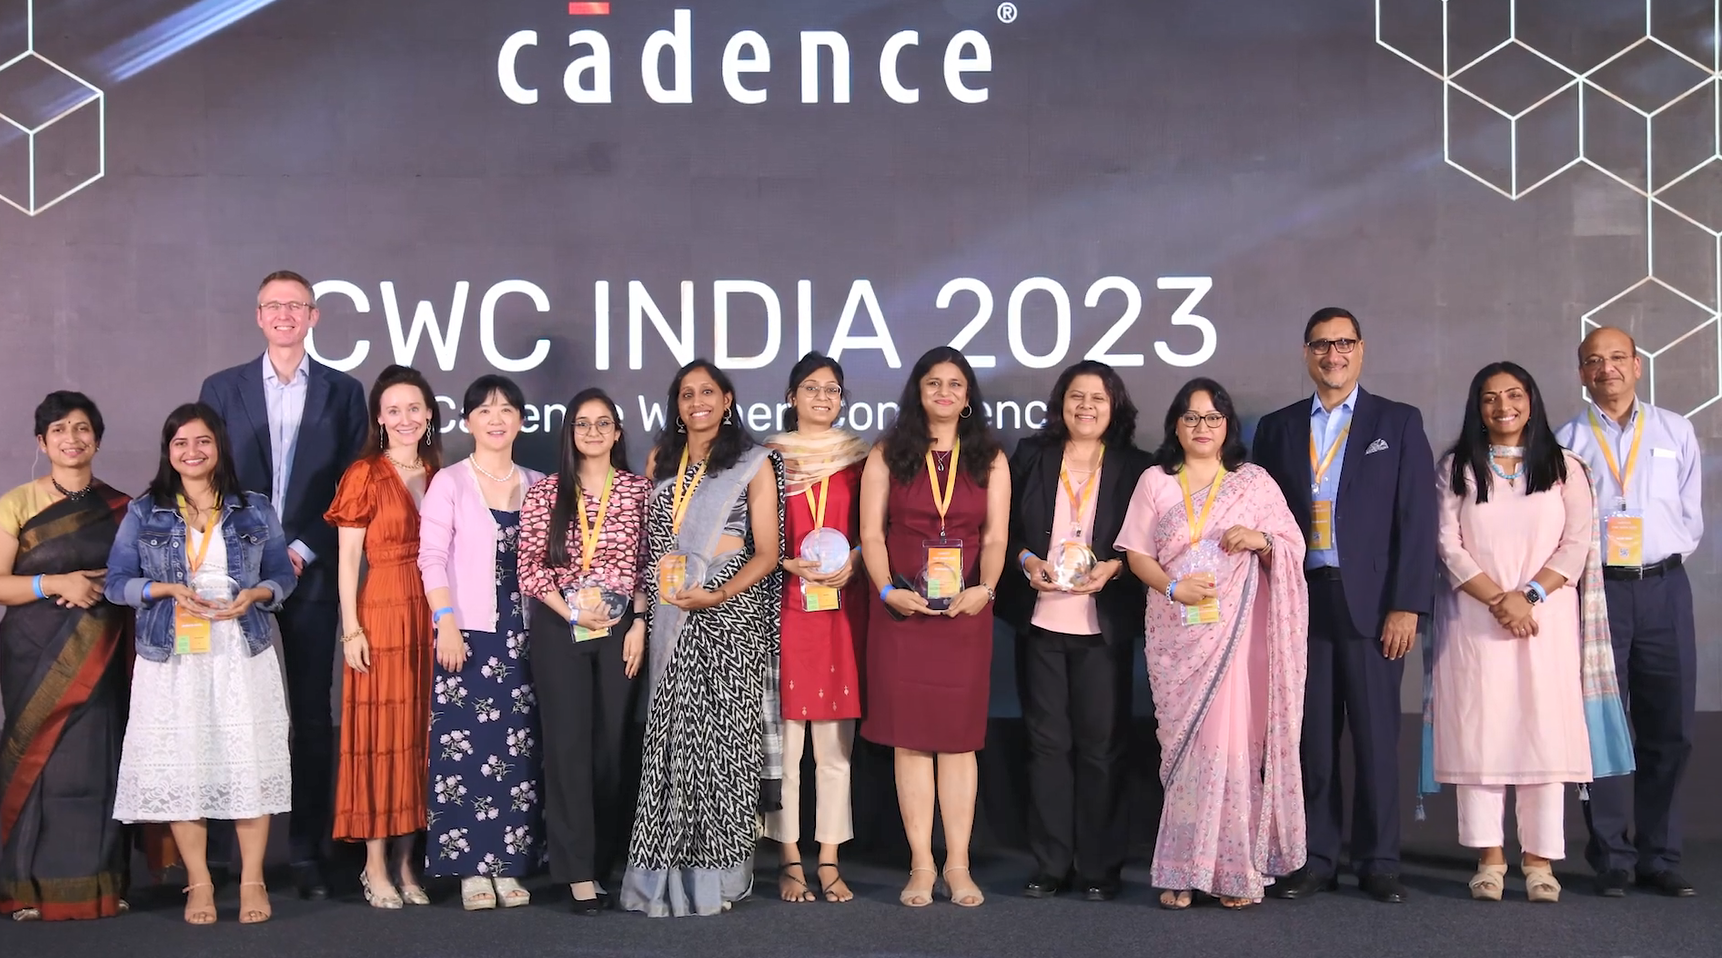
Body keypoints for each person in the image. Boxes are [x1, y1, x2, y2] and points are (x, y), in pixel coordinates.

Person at [1428, 362, 1632, 903]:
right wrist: (1500, 599)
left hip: (1546, 622)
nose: (1503, 407)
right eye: (1490, 398)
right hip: (1476, 621)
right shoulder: (1456, 469)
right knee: (1482, 731)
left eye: (1513, 395)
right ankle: (1489, 859)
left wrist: (1529, 597)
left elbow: (1577, 544)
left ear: (1532, 401)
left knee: (1543, 731)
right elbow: (1447, 544)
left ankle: (1540, 862)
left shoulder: (1566, 466)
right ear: (1477, 407)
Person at [1251, 307, 1436, 904]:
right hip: (1301, 603)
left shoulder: (1398, 422)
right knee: (1312, 740)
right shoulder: (1276, 429)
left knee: (1378, 738)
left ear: (1362, 350)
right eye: (1322, 345)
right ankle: (1316, 857)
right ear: (1307, 353)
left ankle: (1380, 861)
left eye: (1345, 344)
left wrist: (1406, 605)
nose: (1334, 355)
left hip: (1374, 605)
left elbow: (1417, 519)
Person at [197, 269, 368, 899]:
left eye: (296, 306)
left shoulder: (345, 392)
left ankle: (309, 854)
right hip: (232, 576)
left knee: (311, 718)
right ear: (259, 316)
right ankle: (222, 857)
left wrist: (296, 549)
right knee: (228, 709)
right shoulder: (222, 387)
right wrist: (249, 554)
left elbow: (353, 485)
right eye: (274, 306)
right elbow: (206, 474)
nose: (285, 315)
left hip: (312, 573)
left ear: (314, 317)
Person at [1115, 378, 1308, 909]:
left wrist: (1260, 539)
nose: (1203, 427)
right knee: (1185, 750)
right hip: (1176, 632)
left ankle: (1233, 870)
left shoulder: (1254, 482)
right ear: (1175, 425)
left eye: (1213, 417)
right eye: (1192, 417)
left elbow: (1291, 546)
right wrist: (1174, 587)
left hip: (1237, 634)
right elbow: (1136, 555)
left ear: (1228, 426)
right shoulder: (1155, 480)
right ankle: (1180, 868)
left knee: (1230, 748)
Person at [106, 403, 296, 925]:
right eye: (180, 443)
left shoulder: (254, 507)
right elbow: (115, 582)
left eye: (203, 441)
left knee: (247, 761)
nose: (192, 452)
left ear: (219, 447)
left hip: (240, 647)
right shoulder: (146, 511)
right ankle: (200, 883)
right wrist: (162, 589)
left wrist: (256, 593)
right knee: (183, 763)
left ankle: (252, 880)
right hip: (172, 656)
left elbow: (283, 574)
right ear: (168, 452)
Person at [620, 360, 785, 918]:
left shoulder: (754, 461)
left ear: (728, 398)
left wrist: (717, 594)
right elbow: (652, 549)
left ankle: (722, 880)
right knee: (672, 749)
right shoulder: (660, 462)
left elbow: (767, 552)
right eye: (686, 394)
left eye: (707, 392)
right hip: (672, 617)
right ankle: (664, 876)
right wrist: (648, 612)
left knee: (723, 752)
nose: (697, 402)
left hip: (730, 620)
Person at [860, 346, 1009, 909]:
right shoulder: (888, 453)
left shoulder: (989, 457)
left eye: (955, 384)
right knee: (911, 744)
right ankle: (922, 864)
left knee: (959, 744)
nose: (944, 393)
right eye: (933, 383)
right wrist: (885, 589)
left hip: (966, 613)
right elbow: (871, 534)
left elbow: (995, 538)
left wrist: (986, 588)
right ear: (917, 392)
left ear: (968, 396)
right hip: (903, 613)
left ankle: (959, 864)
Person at [1556, 326, 1702, 898]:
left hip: (1665, 587)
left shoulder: (1675, 430)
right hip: (1597, 594)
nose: (1607, 368)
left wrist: (1655, 558)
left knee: (1671, 727)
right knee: (1603, 727)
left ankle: (1660, 856)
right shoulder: (1567, 441)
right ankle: (1613, 855)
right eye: (1595, 360)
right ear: (1582, 373)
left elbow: (1690, 516)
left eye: (1618, 358)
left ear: (1638, 366)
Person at [998, 361, 1151, 902]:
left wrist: (1117, 565)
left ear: (1115, 408)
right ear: (1061, 403)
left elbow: (1151, 540)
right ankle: (1051, 863)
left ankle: (1100, 867)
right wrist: (1023, 559)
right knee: (1046, 745)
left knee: (1101, 747)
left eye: (1099, 399)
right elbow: (1006, 527)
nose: (1087, 407)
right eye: (1077, 397)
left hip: (1102, 625)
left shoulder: (1137, 466)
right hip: (1039, 620)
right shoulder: (1032, 456)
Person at [516, 388, 651, 915]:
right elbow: (530, 567)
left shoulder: (640, 492)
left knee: (612, 750)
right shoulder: (546, 493)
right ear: (569, 433)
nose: (592, 432)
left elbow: (647, 562)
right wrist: (572, 610)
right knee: (567, 747)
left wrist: (639, 620)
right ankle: (574, 872)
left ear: (618, 432)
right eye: (581, 424)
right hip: (561, 627)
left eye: (602, 423)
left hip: (621, 631)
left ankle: (604, 862)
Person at [0, 393, 133, 921]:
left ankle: (101, 884)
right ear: (42, 442)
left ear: (97, 440)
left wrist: (102, 582)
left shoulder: (124, 507)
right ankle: (26, 888)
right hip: (31, 650)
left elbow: (137, 576)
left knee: (98, 762)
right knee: (38, 763)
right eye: (59, 429)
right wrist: (53, 581)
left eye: (82, 429)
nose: (71, 438)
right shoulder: (16, 503)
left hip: (100, 649)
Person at [418, 375, 547, 911]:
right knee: (466, 751)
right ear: (467, 420)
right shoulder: (449, 481)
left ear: (521, 420)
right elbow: (430, 557)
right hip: (468, 633)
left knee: (519, 750)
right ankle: (471, 869)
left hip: (529, 636)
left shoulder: (541, 482)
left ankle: (510, 864)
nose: (497, 419)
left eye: (508, 409)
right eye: (485, 410)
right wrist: (444, 621)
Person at [324, 365, 442, 908]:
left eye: (414, 408)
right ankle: (374, 865)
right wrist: (350, 628)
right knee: (380, 740)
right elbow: (348, 559)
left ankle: (407, 863)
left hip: (433, 616)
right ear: (379, 417)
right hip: (380, 614)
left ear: (429, 413)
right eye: (393, 410)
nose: (404, 419)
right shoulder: (364, 473)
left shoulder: (443, 470)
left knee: (421, 738)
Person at [763, 352, 872, 905]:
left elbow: (873, 530)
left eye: (832, 389)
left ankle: (828, 858)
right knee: (787, 749)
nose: (823, 397)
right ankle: (788, 859)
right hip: (787, 608)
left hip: (841, 611)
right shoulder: (768, 460)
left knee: (834, 749)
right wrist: (784, 562)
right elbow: (755, 535)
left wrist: (855, 555)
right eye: (811, 388)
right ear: (791, 397)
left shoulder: (859, 459)